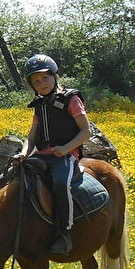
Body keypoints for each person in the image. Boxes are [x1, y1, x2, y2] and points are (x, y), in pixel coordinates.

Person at [19, 53, 91, 256]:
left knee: (60, 184)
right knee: (7, 180)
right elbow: (32, 137)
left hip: (65, 157)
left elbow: (86, 132)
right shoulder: (39, 106)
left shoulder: (71, 99)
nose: (41, 84)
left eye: (44, 78)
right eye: (36, 81)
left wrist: (67, 148)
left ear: (54, 76)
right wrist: (24, 153)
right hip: (41, 155)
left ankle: (64, 233)